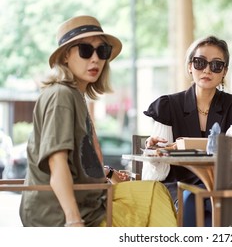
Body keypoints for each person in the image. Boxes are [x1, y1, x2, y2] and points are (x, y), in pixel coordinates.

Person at [20, 15, 177, 227]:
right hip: (61, 214)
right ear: (66, 56)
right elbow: (56, 163)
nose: (95, 59)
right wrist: (74, 222)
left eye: (102, 51)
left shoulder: (76, 96)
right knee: (154, 197)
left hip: (91, 201)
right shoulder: (61, 96)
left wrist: (109, 173)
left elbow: (80, 162)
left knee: (154, 190)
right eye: (85, 50)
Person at [143, 35, 232, 226]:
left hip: (222, 186)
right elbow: (156, 173)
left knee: (209, 202)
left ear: (224, 71)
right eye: (199, 62)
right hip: (178, 187)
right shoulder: (168, 105)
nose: (206, 70)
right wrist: (155, 154)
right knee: (193, 202)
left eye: (216, 65)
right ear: (190, 66)